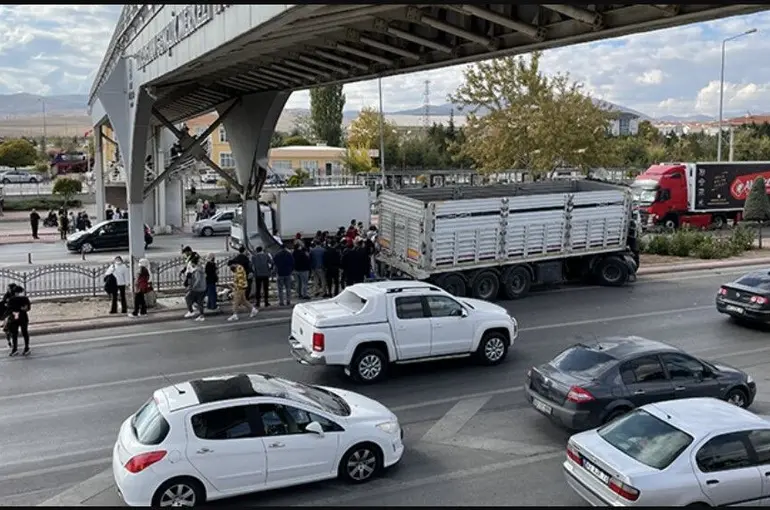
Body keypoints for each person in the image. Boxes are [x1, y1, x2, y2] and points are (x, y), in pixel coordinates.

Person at [7, 285, 31, 356]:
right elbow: (28, 308)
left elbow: (9, 309)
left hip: (14, 318)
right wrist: (23, 309)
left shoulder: (11, 299)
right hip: (23, 317)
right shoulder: (25, 299)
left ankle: (15, 349)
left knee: (14, 334)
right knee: (25, 333)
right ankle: (26, 348)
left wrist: (14, 312)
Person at [184, 253, 207, 321]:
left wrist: (192, 287)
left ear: (194, 264)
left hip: (197, 288)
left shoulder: (197, 270)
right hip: (203, 287)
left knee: (187, 297)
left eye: (192, 264)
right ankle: (201, 315)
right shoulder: (201, 268)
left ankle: (191, 311)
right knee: (200, 302)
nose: (191, 265)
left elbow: (198, 280)